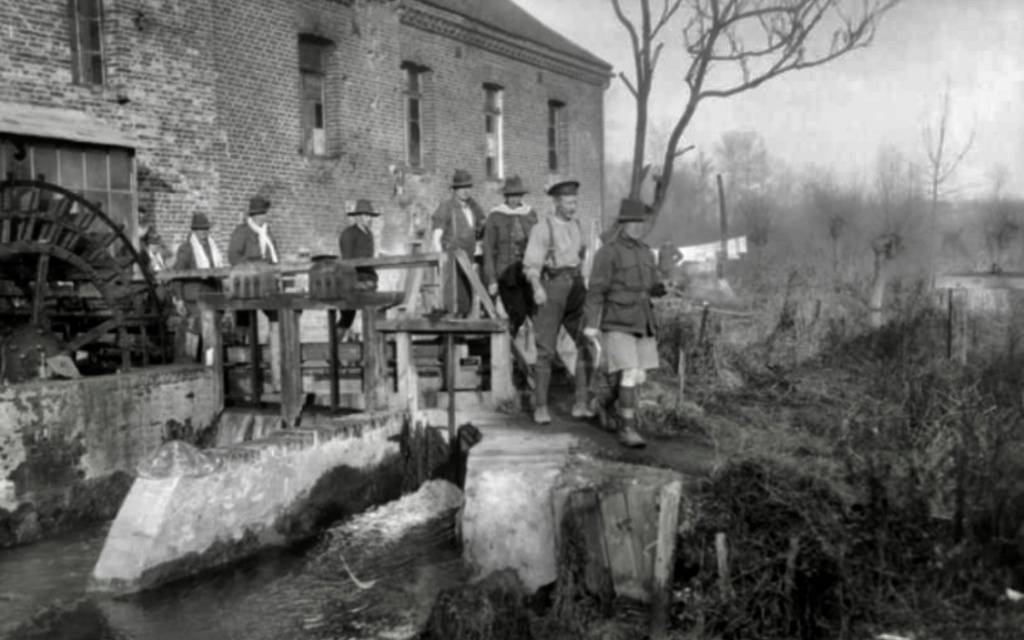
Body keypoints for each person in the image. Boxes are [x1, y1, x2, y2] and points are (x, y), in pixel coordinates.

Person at [582, 199, 669, 449]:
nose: (637, 227)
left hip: (643, 320)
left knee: (638, 376)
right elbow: (596, 291)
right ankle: (627, 429)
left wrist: (662, 287)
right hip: (617, 320)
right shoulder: (608, 252)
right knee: (629, 372)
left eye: (641, 222)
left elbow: (651, 284)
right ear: (622, 223)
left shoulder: (646, 252)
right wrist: (591, 323)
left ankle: (600, 403)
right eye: (633, 221)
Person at [522, 176, 594, 425]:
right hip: (551, 288)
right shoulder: (541, 229)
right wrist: (537, 287)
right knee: (545, 352)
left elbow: (582, 255)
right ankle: (541, 406)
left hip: (575, 288)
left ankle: (581, 403)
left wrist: (585, 281)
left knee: (586, 343)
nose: (573, 207)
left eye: (575, 202)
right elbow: (531, 265)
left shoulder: (577, 226)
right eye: (568, 202)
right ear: (556, 202)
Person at [482, 174, 538, 337]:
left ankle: (542, 358)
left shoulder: (530, 214)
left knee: (537, 315)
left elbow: (538, 244)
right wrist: (491, 279)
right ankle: (505, 352)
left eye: (518, 195)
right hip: (506, 275)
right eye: (511, 196)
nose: (515, 200)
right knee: (516, 313)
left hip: (528, 273)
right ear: (506, 196)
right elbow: (488, 249)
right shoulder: (495, 216)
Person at [171, 212, 225, 362]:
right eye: (200, 230)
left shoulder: (213, 248)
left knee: (211, 338)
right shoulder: (187, 249)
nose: (203, 233)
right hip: (194, 301)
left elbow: (218, 272)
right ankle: (190, 367)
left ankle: (210, 368)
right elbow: (177, 275)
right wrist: (179, 299)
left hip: (212, 298)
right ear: (193, 231)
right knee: (193, 335)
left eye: (206, 229)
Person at [431, 169, 485, 317]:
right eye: (461, 188)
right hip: (452, 259)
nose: (465, 191)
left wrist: (479, 248)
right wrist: (439, 253)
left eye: (468, 187)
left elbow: (482, 228)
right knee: (455, 298)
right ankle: (450, 332)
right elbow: (437, 232)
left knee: (468, 296)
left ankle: (459, 330)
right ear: (455, 190)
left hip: (469, 258)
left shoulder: (473, 207)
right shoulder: (447, 206)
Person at [338, 198, 380, 337]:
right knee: (347, 317)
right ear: (359, 217)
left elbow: (369, 258)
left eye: (370, 216)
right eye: (367, 216)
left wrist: (372, 278)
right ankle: (333, 349)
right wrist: (355, 283)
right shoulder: (349, 234)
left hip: (368, 279)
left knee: (372, 313)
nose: (369, 219)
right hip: (353, 280)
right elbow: (347, 260)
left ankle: (370, 349)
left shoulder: (369, 234)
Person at [228, 195, 279, 266]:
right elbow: (234, 257)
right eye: (259, 214)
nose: (262, 217)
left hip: (268, 272)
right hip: (250, 273)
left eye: (264, 213)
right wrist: (250, 268)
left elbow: (275, 254)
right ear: (253, 216)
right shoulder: (242, 231)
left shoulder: (267, 232)